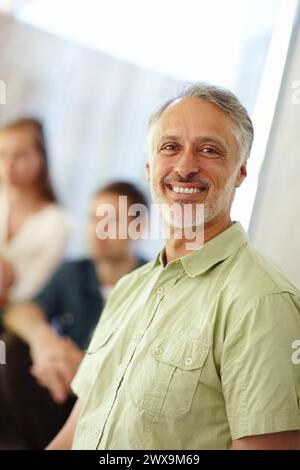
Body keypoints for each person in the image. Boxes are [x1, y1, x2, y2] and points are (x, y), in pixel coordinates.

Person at [47, 83, 300, 451]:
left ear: (241, 172)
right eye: (170, 147)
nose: (185, 167)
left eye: (209, 150)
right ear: (150, 168)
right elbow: (77, 431)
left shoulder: (262, 302)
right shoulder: (128, 289)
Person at [0, 181, 148, 449]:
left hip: (113, 411)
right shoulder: (74, 272)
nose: (98, 231)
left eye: (111, 221)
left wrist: (87, 371)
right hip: (61, 395)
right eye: (94, 218)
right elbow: (20, 311)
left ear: (138, 228)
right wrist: (45, 342)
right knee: (10, 349)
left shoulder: (152, 285)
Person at [0, 118, 70, 305]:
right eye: (3, 154)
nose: (9, 164)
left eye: (20, 155)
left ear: (41, 158)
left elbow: (30, 294)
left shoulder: (58, 223)